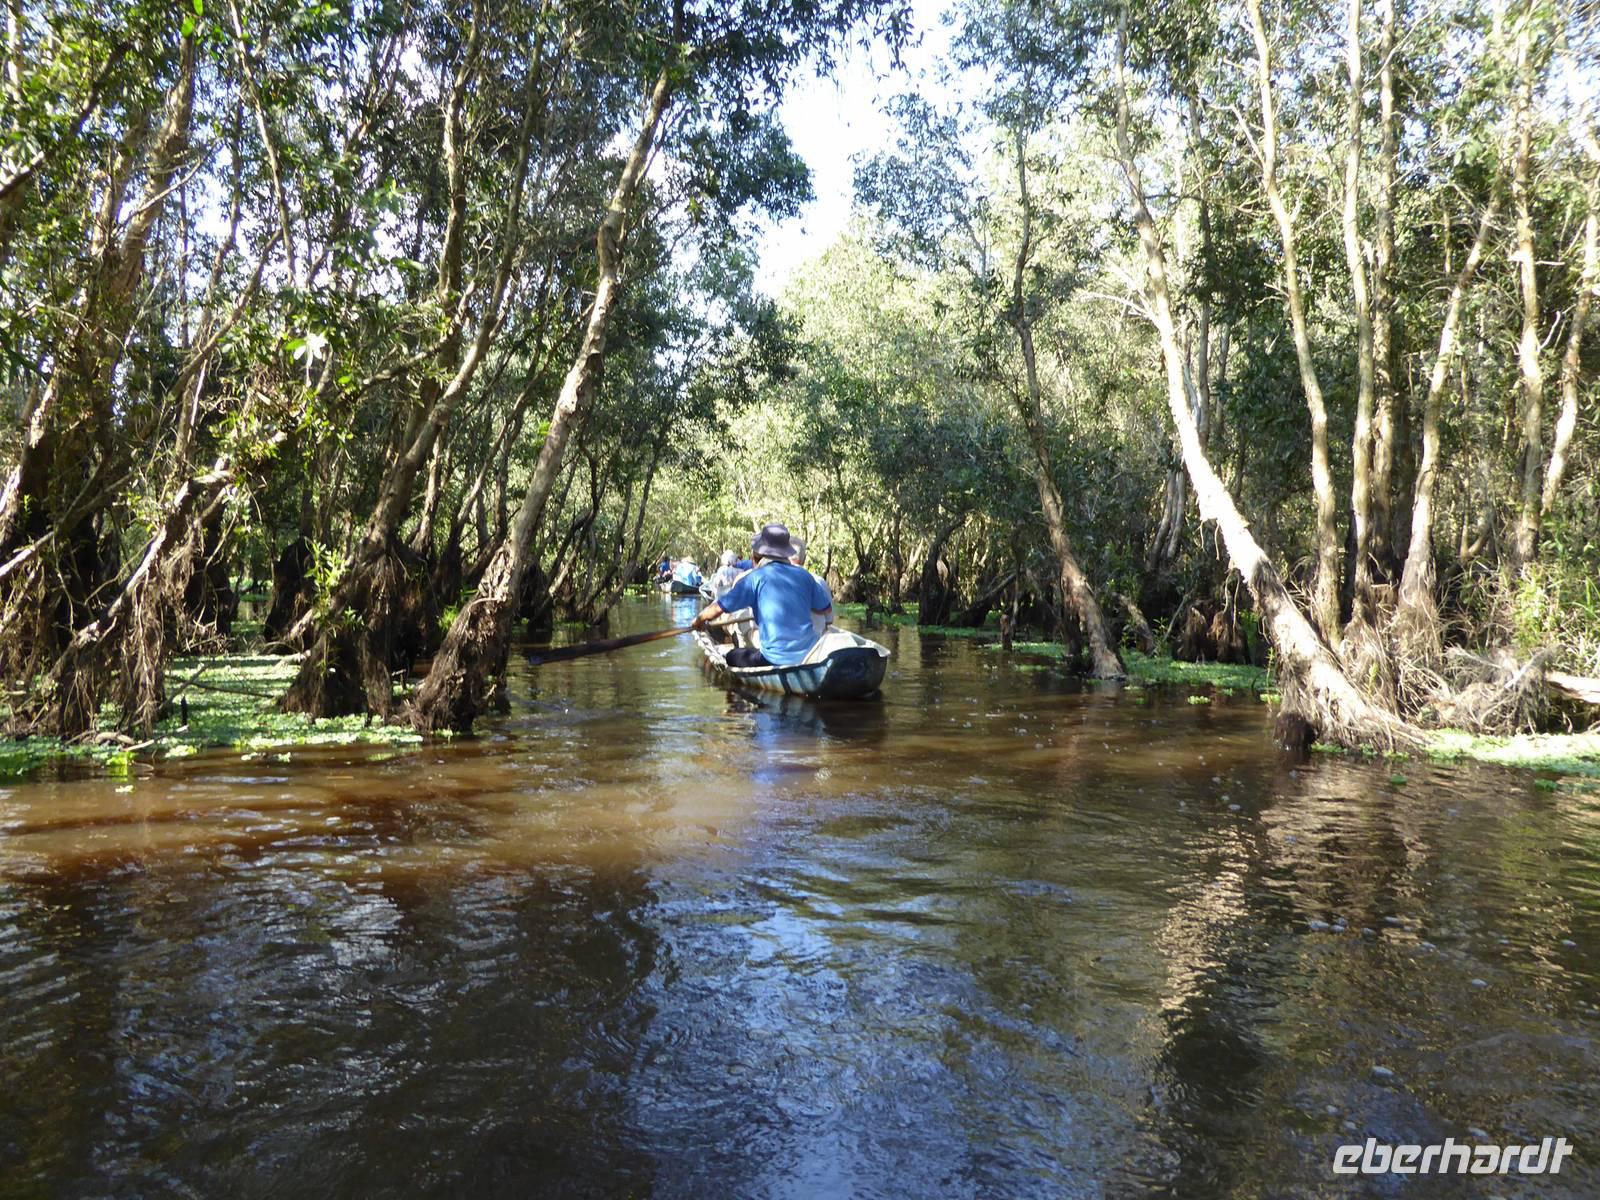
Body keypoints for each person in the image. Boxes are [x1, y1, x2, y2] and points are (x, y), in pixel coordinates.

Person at [691, 523, 833, 667]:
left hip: (773, 659)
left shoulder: (754, 578)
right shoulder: (805, 576)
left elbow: (719, 608)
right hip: (809, 656)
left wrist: (699, 620)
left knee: (732, 656)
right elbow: (825, 609)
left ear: (761, 552)